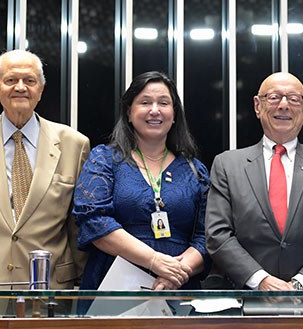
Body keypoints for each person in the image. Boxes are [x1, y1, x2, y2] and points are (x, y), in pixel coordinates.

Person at [0, 50, 90, 317]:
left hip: (51, 290)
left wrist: (81, 290)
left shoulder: (74, 144)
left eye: (30, 81)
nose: (20, 87)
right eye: (11, 80)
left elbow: (77, 230)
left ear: (41, 90)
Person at [205, 72, 303, 290]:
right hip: (246, 301)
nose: (284, 105)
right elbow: (218, 234)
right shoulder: (227, 165)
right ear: (258, 106)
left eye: (294, 99)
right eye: (274, 97)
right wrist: (261, 281)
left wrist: (301, 284)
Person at [73, 71, 207, 290]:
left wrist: (176, 273)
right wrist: (154, 260)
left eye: (163, 103)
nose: (155, 110)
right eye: (145, 102)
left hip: (179, 286)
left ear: (174, 115)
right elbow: (94, 221)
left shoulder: (195, 170)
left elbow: (207, 236)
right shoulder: (104, 160)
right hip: (114, 286)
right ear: (129, 112)